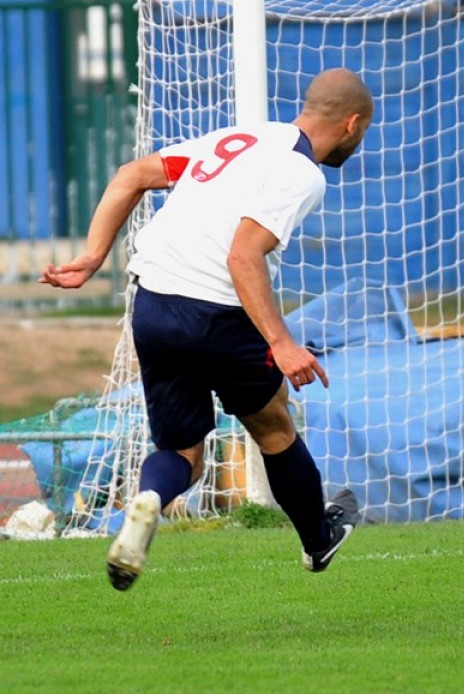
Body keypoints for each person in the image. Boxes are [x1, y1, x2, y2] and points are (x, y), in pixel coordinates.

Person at [41, 68, 376, 591]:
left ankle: (149, 499)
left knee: (182, 455)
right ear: (352, 124)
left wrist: (91, 256)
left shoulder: (239, 138)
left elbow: (132, 174)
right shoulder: (303, 172)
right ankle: (317, 540)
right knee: (273, 427)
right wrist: (281, 343)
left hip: (153, 303)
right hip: (217, 314)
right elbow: (243, 255)